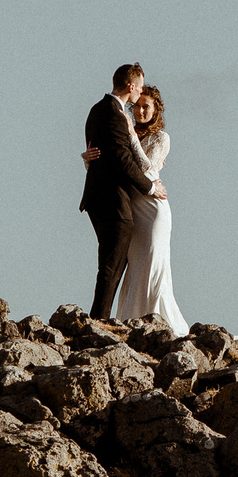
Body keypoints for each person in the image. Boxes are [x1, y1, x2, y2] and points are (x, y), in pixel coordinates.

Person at [78, 63, 161, 320]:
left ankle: (100, 317)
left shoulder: (97, 109)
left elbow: (98, 149)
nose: (139, 96)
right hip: (112, 198)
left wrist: (88, 158)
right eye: (139, 89)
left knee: (115, 260)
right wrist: (150, 187)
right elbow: (121, 159)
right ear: (131, 86)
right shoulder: (114, 113)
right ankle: (98, 320)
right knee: (112, 262)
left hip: (99, 196)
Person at [111, 84, 186, 334]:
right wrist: (88, 160)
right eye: (137, 106)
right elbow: (119, 169)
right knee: (137, 268)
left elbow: (144, 171)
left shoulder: (161, 138)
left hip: (153, 211)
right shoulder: (126, 136)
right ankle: (132, 324)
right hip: (133, 212)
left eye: (146, 107)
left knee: (154, 264)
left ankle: (160, 326)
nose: (141, 111)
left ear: (156, 110)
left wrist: (132, 136)